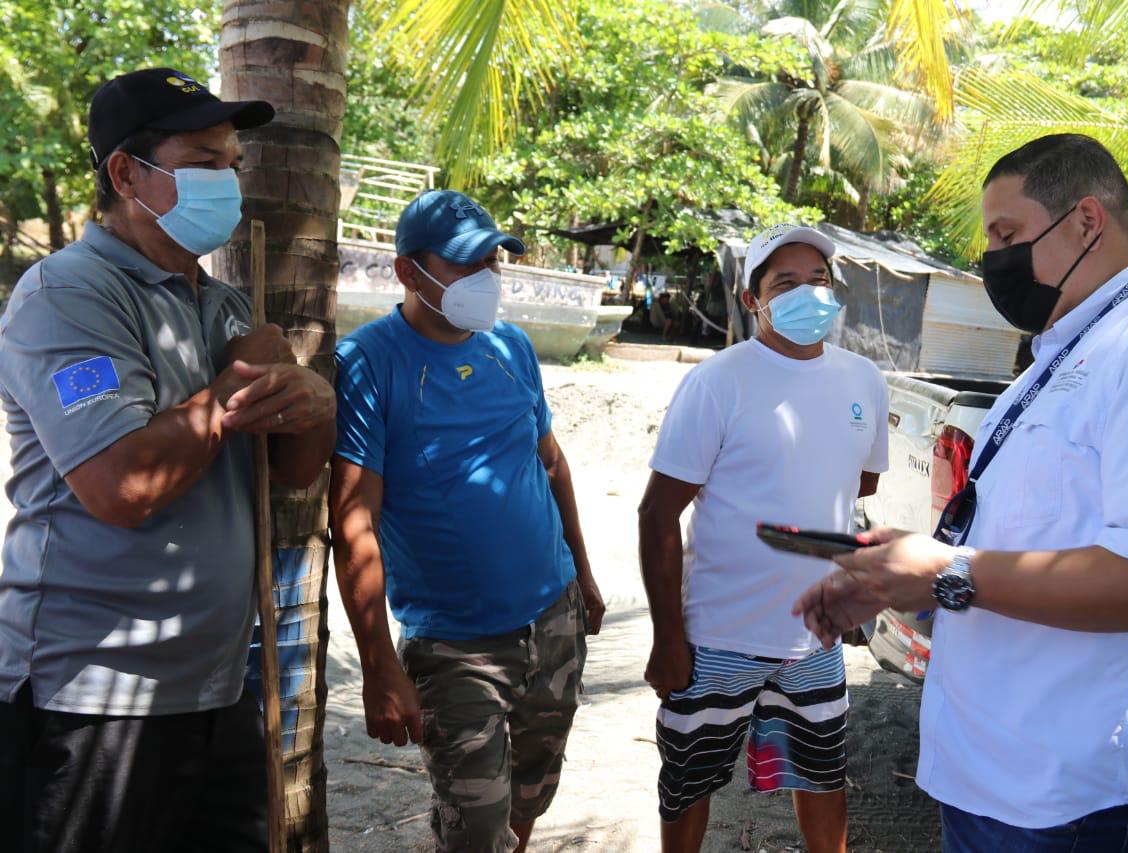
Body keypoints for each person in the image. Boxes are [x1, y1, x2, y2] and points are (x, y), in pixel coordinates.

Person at [793, 134, 1128, 852]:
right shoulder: (1061, 356)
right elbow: (1029, 545)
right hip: (995, 784)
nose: (991, 260)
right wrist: (909, 576)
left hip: (1080, 803)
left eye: (1008, 234)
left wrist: (947, 572)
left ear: (1087, 221)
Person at [0, 68, 336, 852]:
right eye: (205, 162)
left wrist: (313, 403)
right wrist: (241, 382)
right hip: (94, 697)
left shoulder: (219, 304)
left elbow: (291, 470)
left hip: (215, 689)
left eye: (232, 164)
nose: (228, 181)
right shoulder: (68, 294)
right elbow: (121, 483)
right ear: (126, 173)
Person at [329, 190, 606, 853]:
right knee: (477, 823)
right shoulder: (368, 363)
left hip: (553, 619)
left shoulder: (510, 347)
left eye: (493, 261)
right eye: (464, 264)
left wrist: (585, 574)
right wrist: (378, 667)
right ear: (407, 271)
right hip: (455, 647)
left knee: (531, 795)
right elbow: (353, 522)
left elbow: (553, 465)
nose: (485, 278)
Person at [639, 223, 889, 853]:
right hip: (717, 637)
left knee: (821, 775)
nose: (809, 293)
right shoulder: (719, 381)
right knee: (691, 781)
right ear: (753, 299)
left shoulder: (863, 380)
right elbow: (656, 514)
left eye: (819, 280)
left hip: (815, 637)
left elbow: (856, 485)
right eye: (786, 282)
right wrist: (669, 638)